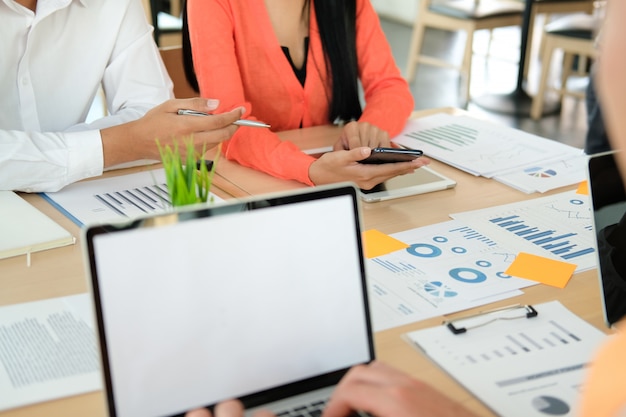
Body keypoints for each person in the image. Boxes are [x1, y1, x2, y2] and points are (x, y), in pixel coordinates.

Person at [0, 0, 243, 193]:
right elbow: (145, 134)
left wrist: (28, 159)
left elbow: (151, 115)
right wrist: (118, 144)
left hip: (72, 197)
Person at [186, 0, 427, 190]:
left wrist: (366, 131)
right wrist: (309, 170)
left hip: (338, 176)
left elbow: (390, 87)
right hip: (252, 183)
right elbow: (230, 122)